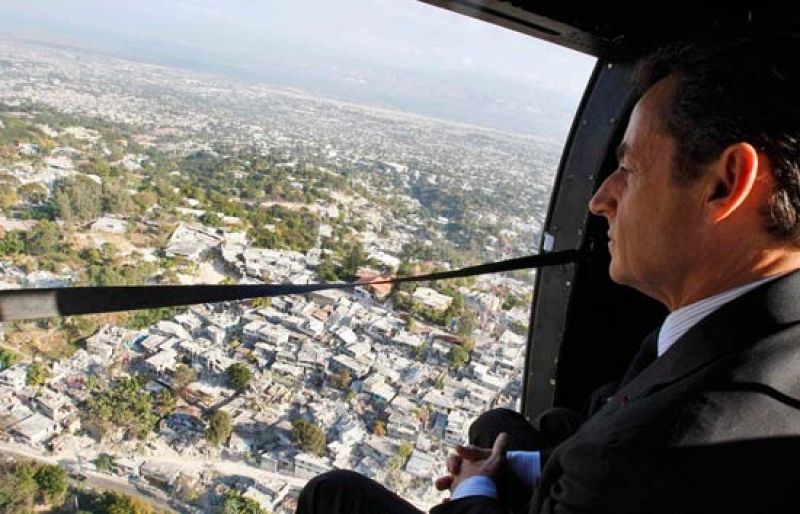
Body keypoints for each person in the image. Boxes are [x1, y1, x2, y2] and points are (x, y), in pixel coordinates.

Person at [295, 36, 800, 514]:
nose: (600, 200)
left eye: (629, 170)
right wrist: (514, 468)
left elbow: (618, 448)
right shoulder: (745, 318)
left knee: (333, 494)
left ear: (725, 183)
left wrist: (476, 489)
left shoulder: (647, 454)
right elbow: (609, 412)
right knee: (495, 427)